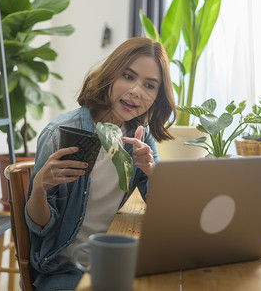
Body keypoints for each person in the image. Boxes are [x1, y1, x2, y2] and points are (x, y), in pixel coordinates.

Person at [25, 37, 176, 291]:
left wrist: (152, 172)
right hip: (64, 267)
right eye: (128, 77)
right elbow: (41, 228)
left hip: (114, 262)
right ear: (111, 75)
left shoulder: (140, 136)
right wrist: (39, 187)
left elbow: (164, 209)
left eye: (149, 85)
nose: (137, 91)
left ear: (157, 96)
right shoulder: (61, 134)